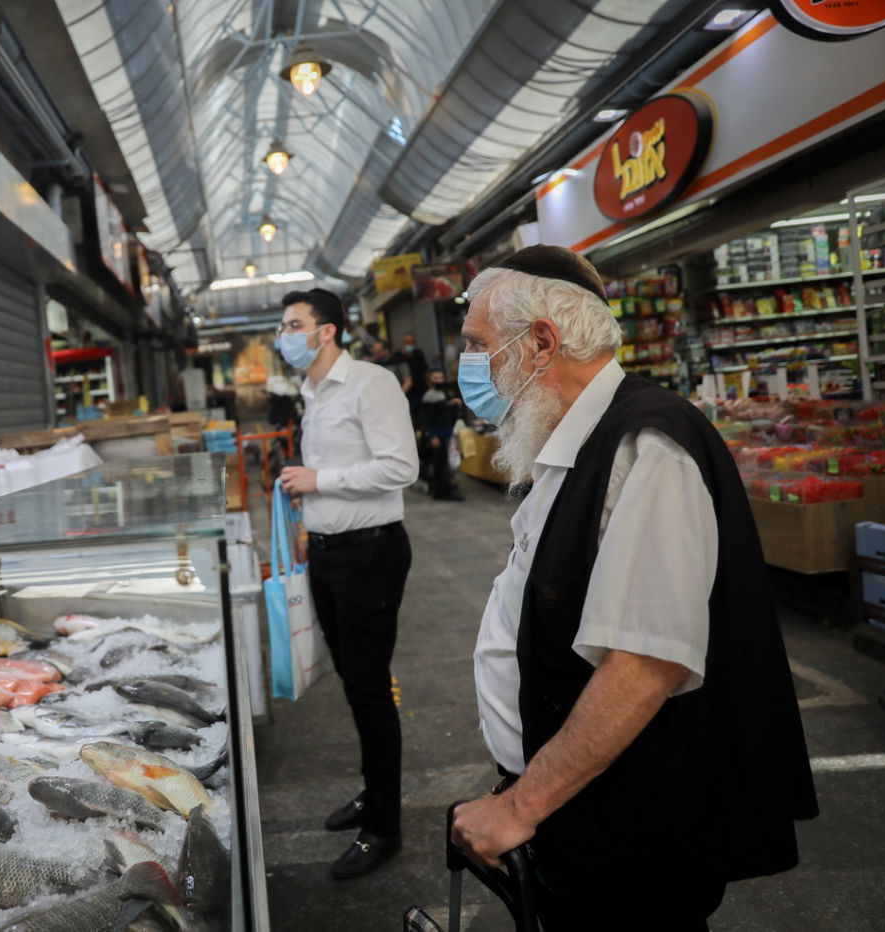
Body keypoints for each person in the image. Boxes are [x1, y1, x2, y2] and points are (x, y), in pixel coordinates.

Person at [449, 246, 817, 930]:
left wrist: (519, 808)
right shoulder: (572, 441)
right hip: (576, 811)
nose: (469, 363)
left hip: (629, 836)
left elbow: (645, 663)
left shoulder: (647, 446)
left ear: (540, 343)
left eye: (477, 343)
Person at [275, 288, 419, 880]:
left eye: (293, 324)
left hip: (371, 557)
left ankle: (384, 825)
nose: (283, 334)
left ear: (326, 331)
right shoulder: (310, 391)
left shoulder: (370, 383)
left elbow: (399, 467)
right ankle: (373, 790)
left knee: (369, 688)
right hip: (331, 557)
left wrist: (318, 479)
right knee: (354, 682)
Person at [419, 368, 464, 500]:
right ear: (430, 380)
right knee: (439, 464)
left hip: (445, 433)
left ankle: (445, 488)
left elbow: (441, 409)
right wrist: (432, 435)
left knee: (445, 463)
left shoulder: (442, 394)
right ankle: (441, 491)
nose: (439, 380)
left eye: (440, 378)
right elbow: (427, 418)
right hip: (437, 435)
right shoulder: (429, 396)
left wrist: (452, 403)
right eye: (436, 378)